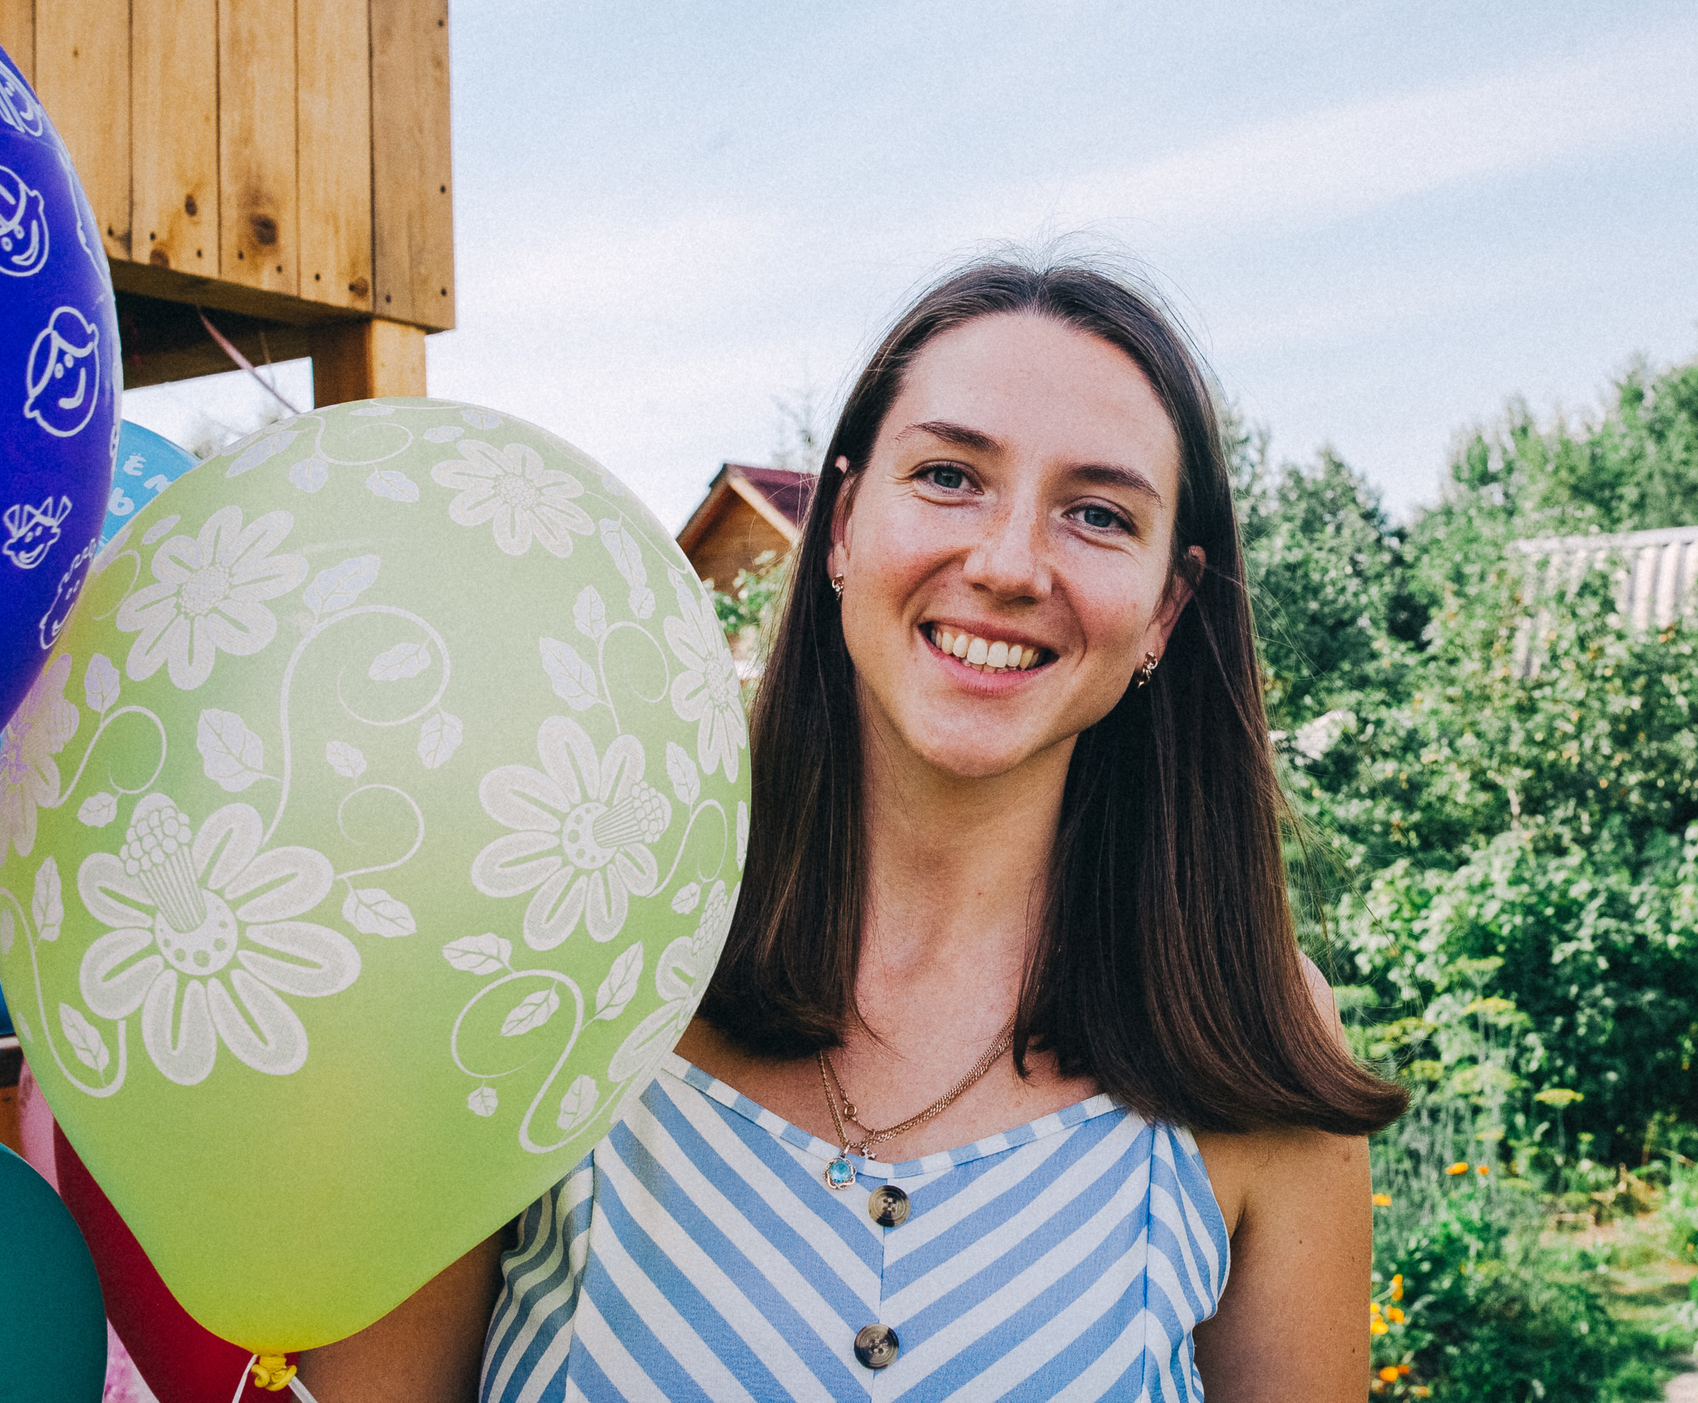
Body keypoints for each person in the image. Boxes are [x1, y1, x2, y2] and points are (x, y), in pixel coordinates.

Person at [300, 253, 1403, 1401]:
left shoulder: (1256, 1036)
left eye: (1095, 513)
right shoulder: (549, 954)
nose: (1009, 563)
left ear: (1166, 608)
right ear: (836, 528)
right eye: (946, 475)